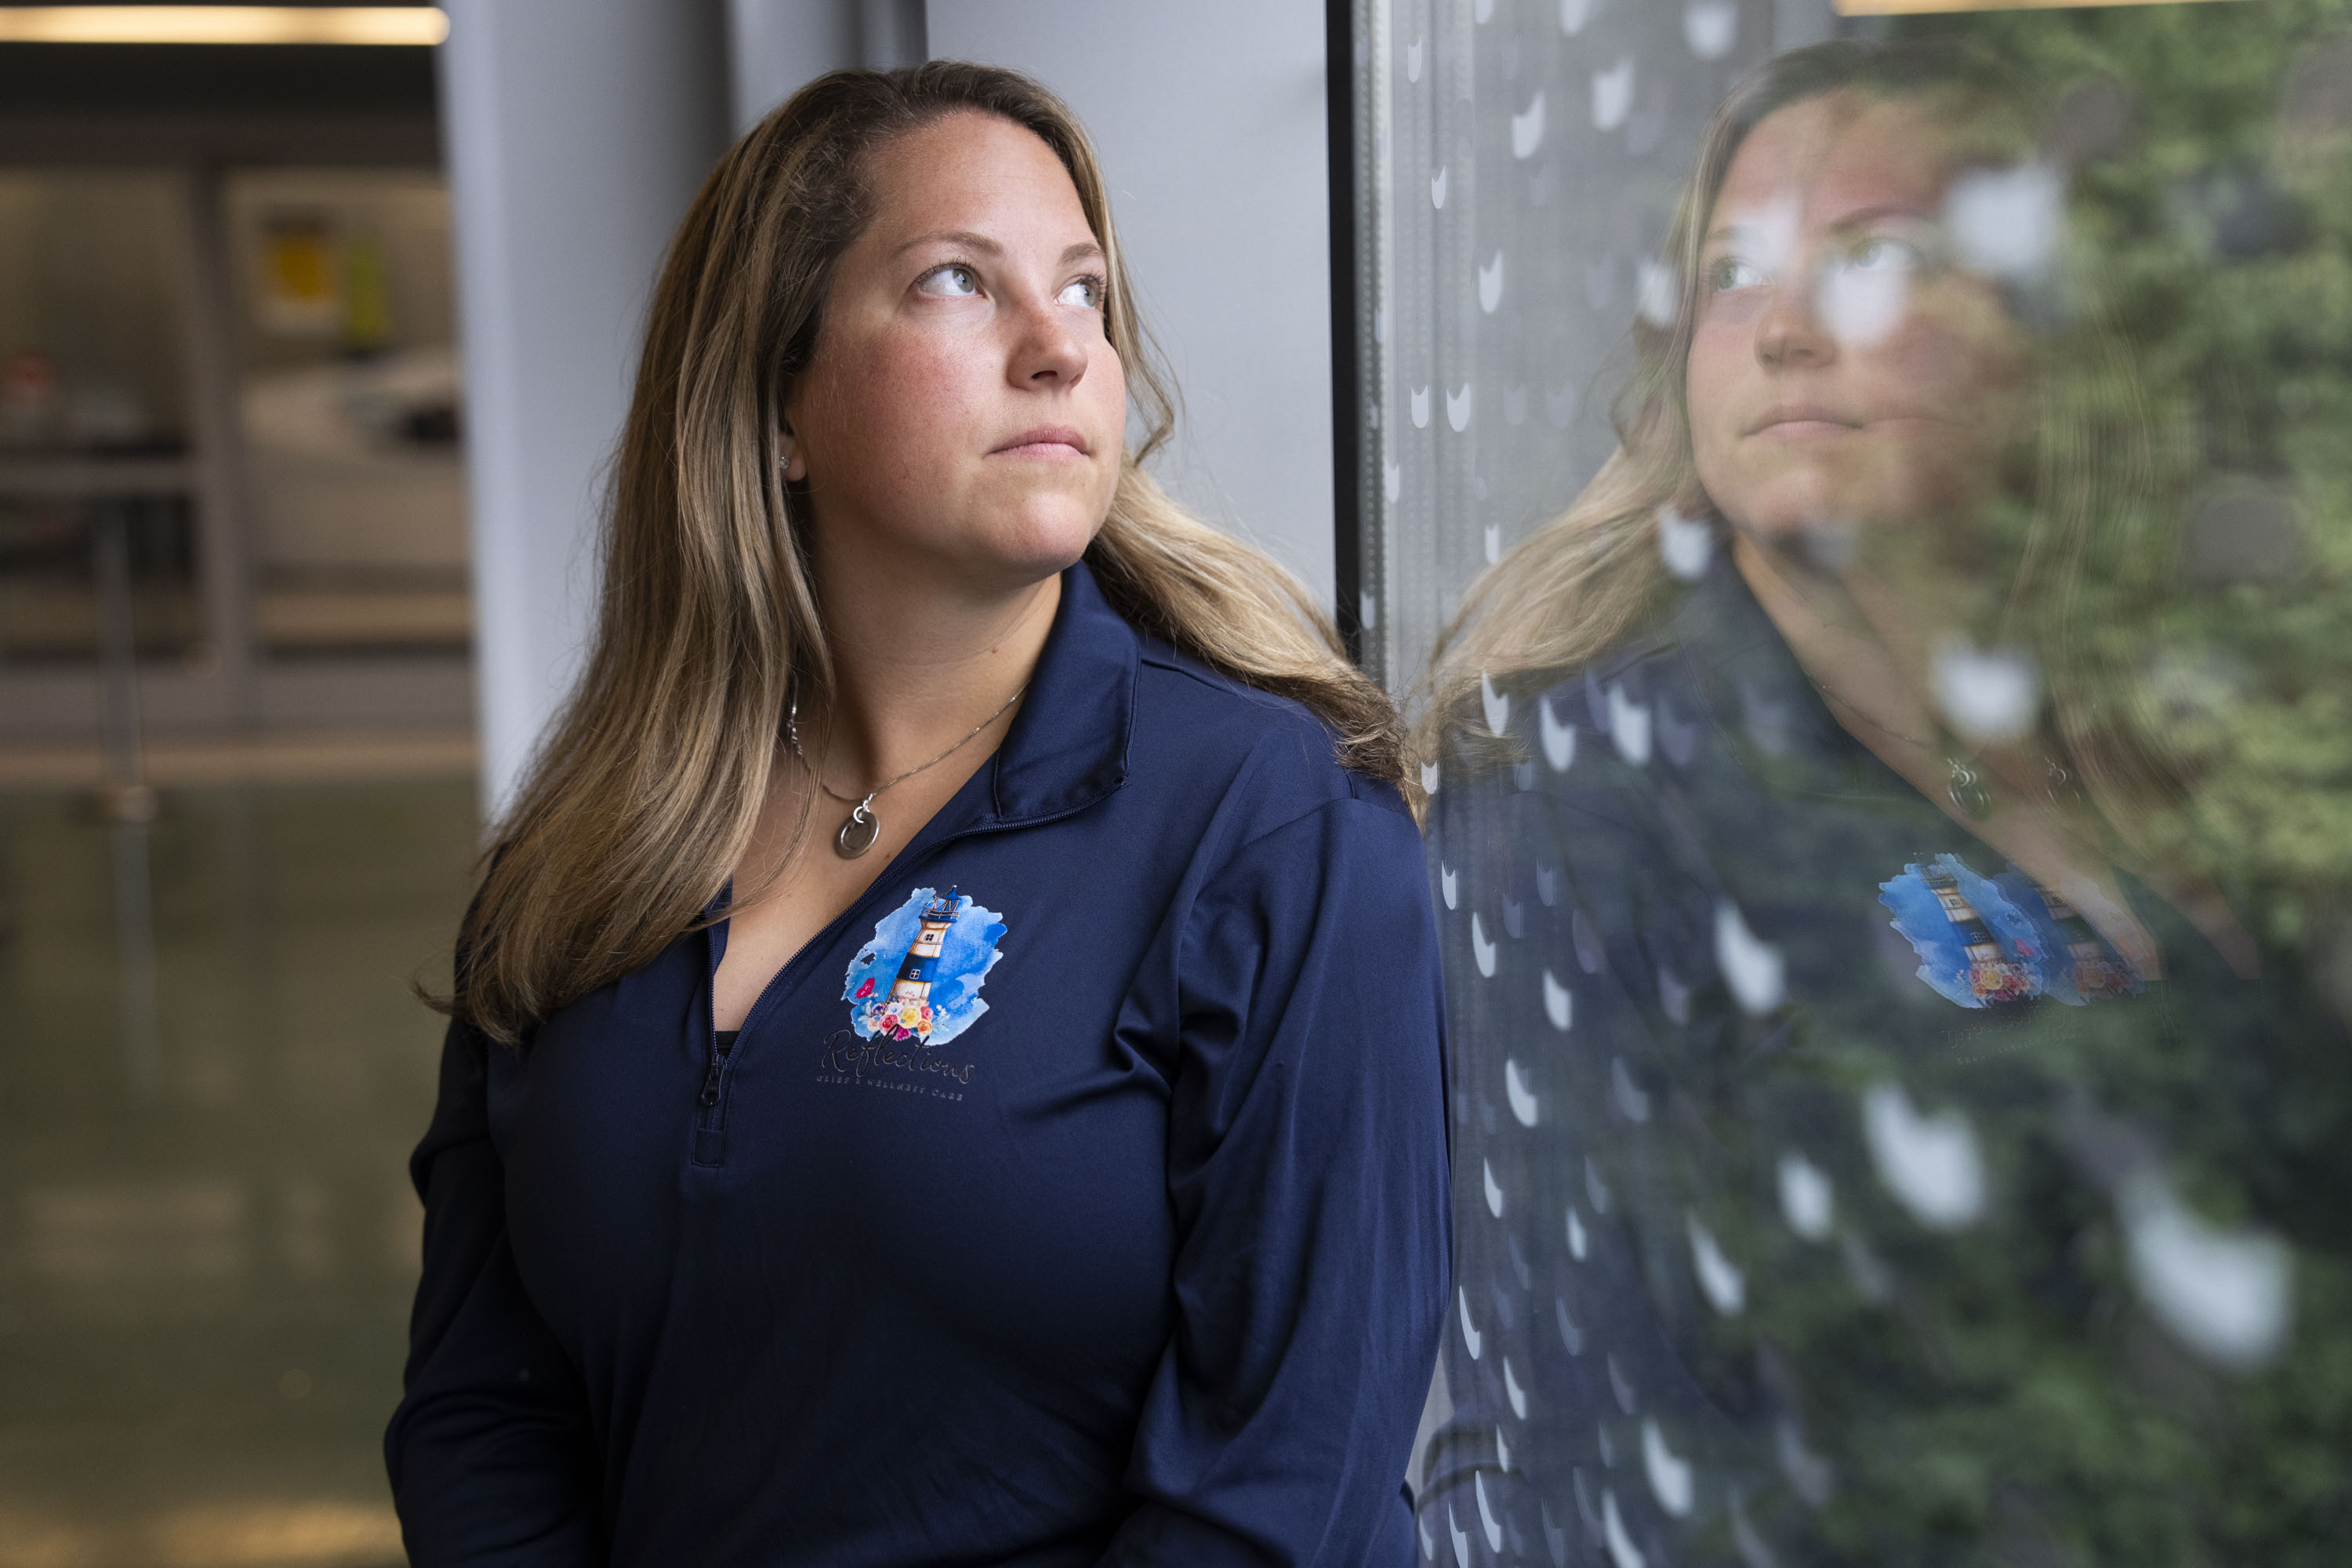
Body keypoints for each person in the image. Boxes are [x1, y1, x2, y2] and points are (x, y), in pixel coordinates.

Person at [387, 63, 1449, 1566]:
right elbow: (482, 1413)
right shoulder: (586, 855)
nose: (1057, 351)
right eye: (959, 282)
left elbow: (1293, 1486)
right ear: (777, 405)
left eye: (1083, 292)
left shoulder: (1276, 829)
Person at [1413, 40, 2344, 1566]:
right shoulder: (1578, 789)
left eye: (1875, 257)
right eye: (1731, 271)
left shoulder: (2180, 744)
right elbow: (1565, 1452)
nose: (1782, 331)